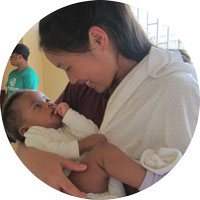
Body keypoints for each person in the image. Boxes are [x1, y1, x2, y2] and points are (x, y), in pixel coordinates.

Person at [15, 0, 199, 198]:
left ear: (97, 39)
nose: (73, 79)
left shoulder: (177, 90)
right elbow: (30, 128)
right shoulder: (80, 89)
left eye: (67, 67)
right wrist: (28, 156)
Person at [2, 89, 146, 198]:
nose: (49, 104)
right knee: (104, 152)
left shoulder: (63, 126)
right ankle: (148, 180)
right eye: (38, 106)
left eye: (47, 99)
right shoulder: (34, 136)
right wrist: (84, 144)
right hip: (71, 181)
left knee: (108, 152)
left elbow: (92, 132)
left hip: (89, 175)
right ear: (25, 130)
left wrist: (69, 115)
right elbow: (56, 153)